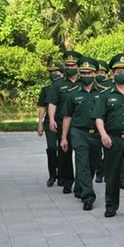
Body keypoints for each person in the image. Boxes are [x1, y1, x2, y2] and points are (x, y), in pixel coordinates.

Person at [92, 53, 124, 218]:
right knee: (112, 175)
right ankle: (111, 205)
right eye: (119, 70)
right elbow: (99, 117)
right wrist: (103, 135)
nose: (122, 73)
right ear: (112, 73)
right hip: (112, 139)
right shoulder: (105, 93)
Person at [60, 57, 102, 210]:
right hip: (79, 132)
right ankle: (88, 197)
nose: (86, 75)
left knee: (92, 163)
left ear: (95, 73)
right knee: (82, 162)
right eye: (83, 73)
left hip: (97, 134)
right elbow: (67, 116)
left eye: (89, 73)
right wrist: (64, 137)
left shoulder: (102, 93)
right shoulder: (72, 94)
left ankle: (80, 185)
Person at [46, 50, 82, 194]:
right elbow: (52, 103)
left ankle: (81, 183)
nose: (70, 67)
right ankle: (68, 181)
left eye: (73, 65)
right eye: (67, 65)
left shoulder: (86, 82)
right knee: (65, 155)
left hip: (81, 124)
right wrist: (52, 119)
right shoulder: (58, 84)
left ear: (78, 66)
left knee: (82, 155)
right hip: (62, 124)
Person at [37, 61, 64, 187]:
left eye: (56, 72)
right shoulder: (46, 89)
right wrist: (40, 124)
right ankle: (52, 175)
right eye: (52, 72)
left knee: (64, 149)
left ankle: (62, 175)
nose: (54, 74)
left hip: (64, 122)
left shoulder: (67, 88)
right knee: (52, 148)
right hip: (49, 122)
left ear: (63, 73)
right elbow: (42, 107)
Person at [95, 60, 111, 184]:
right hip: (95, 124)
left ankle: (106, 172)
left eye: (102, 72)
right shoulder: (91, 85)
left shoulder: (109, 86)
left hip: (109, 124)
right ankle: (99, 172)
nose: (100, 75)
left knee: (108, 151)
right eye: (98, 72)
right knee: (97, 151)